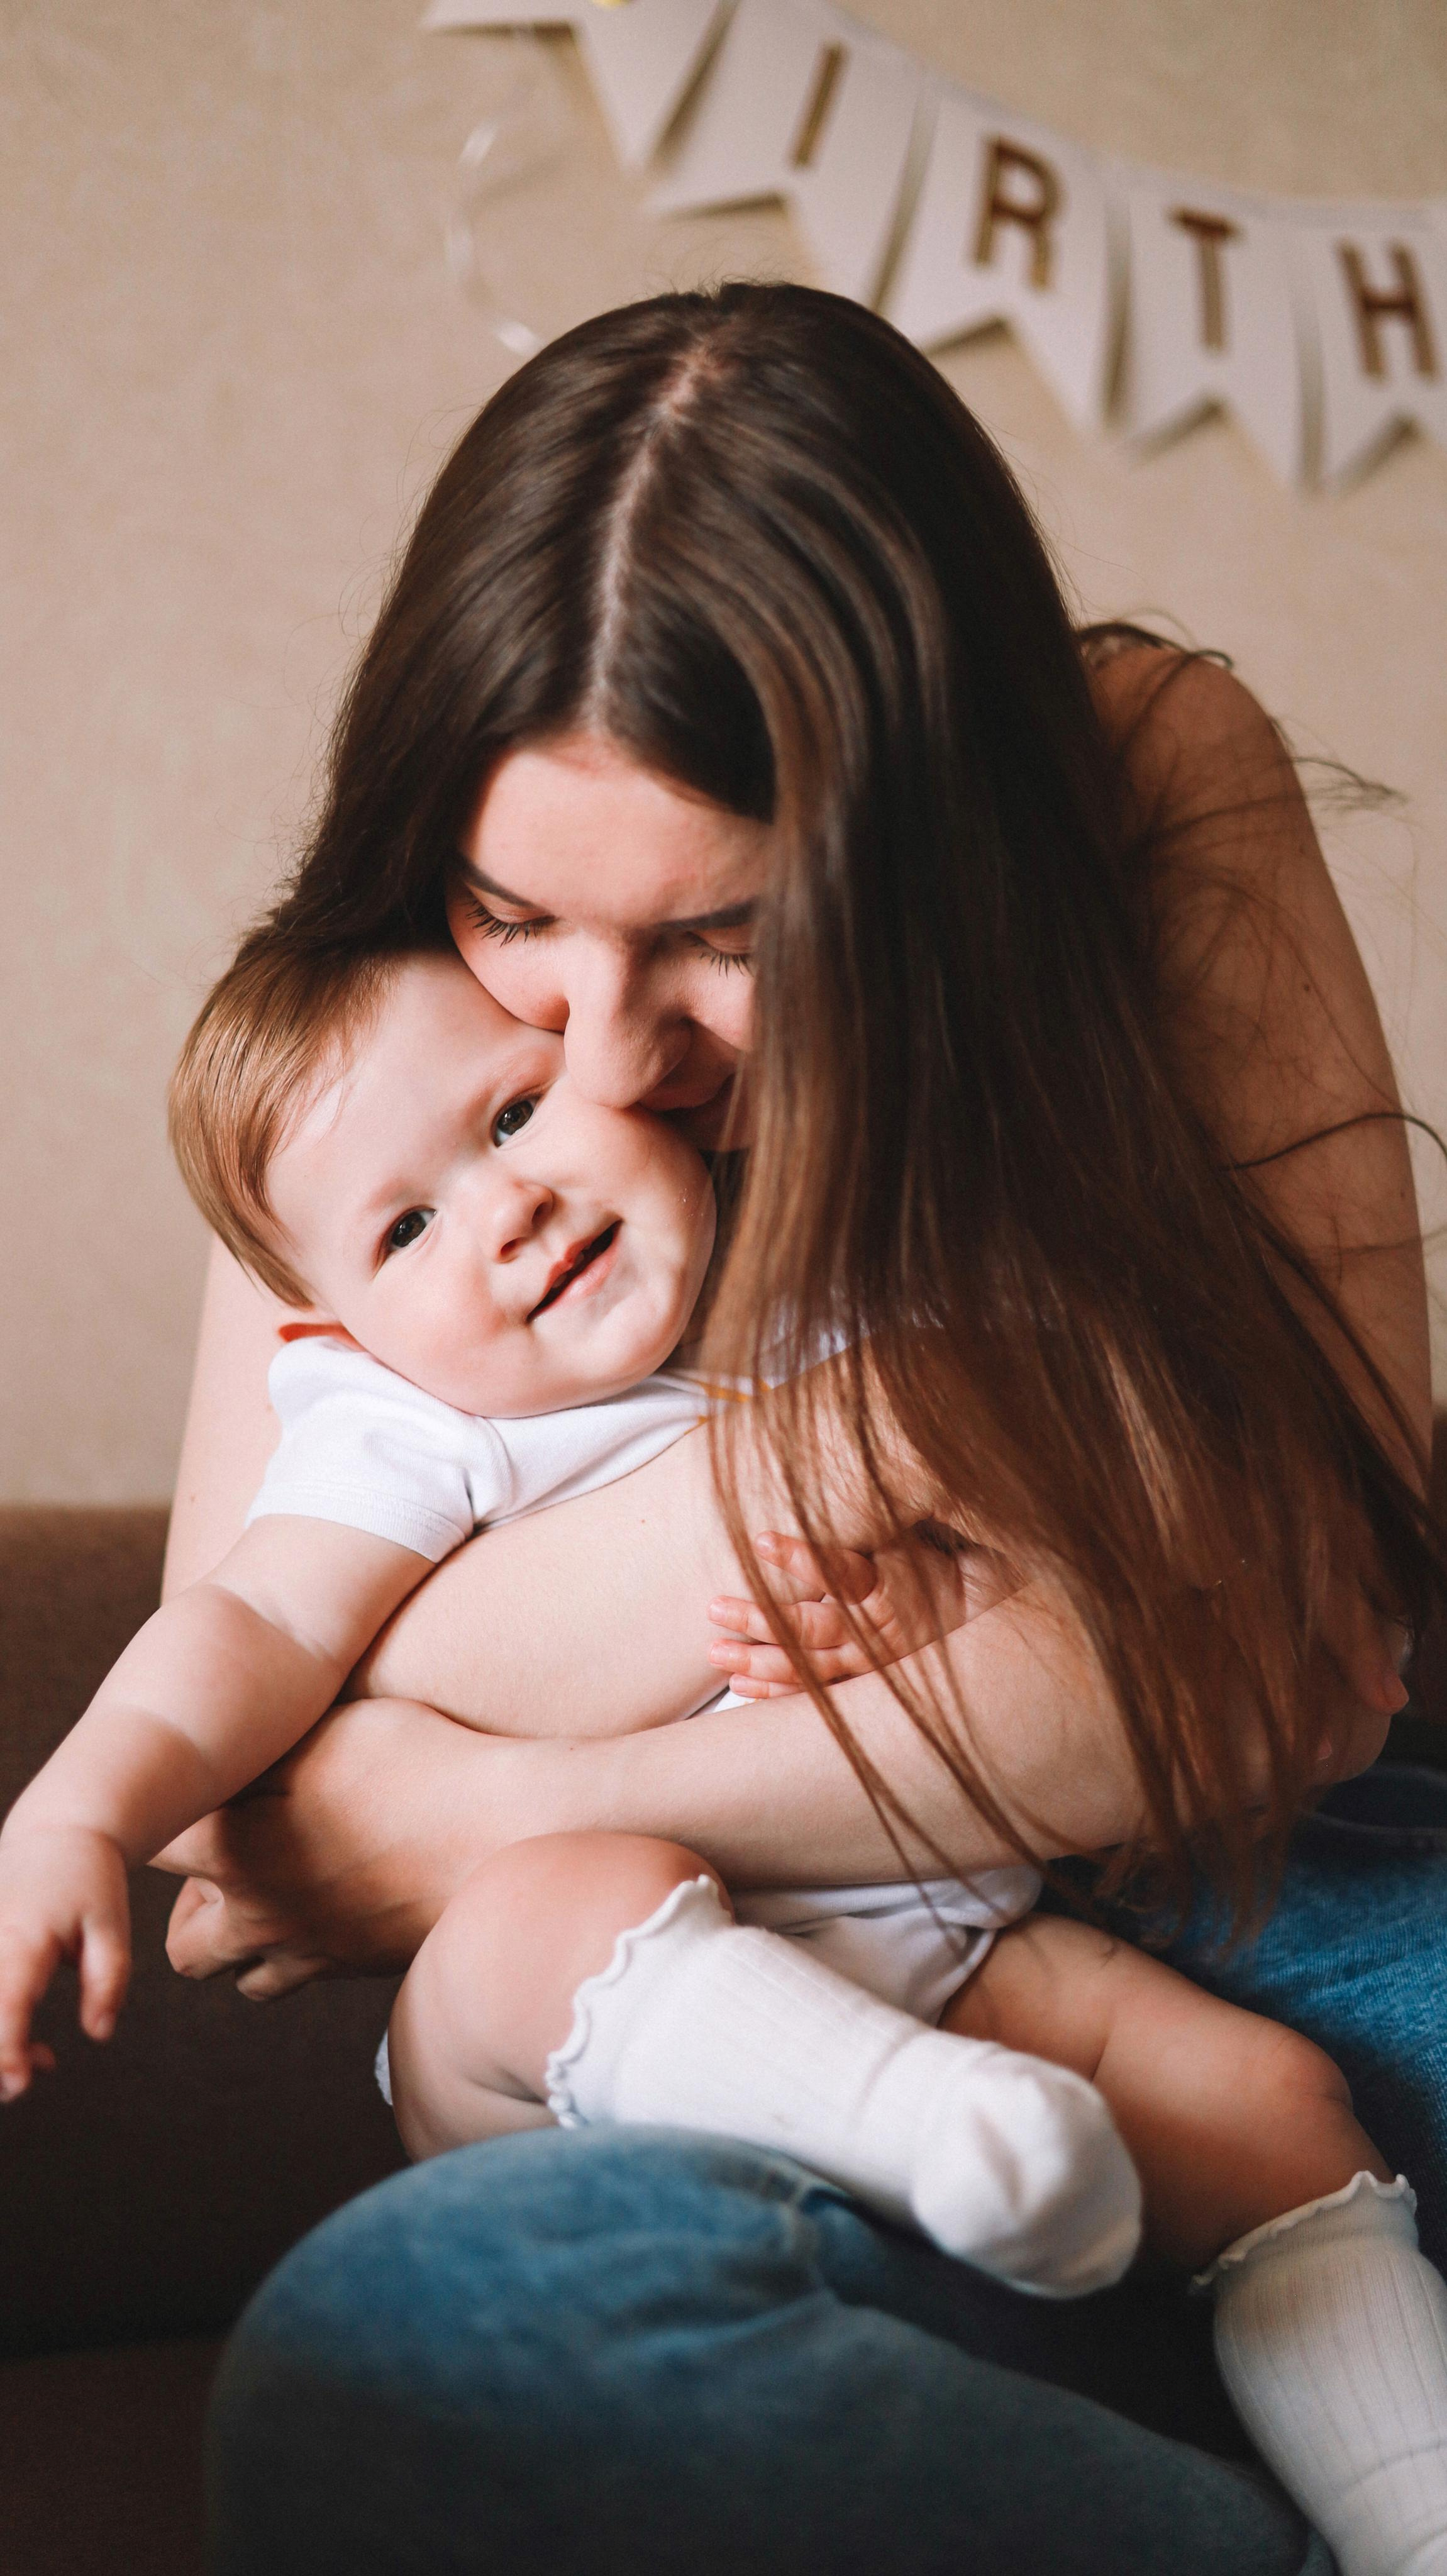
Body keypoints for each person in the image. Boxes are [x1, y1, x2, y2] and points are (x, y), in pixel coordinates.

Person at [149, 285, 1443, 2573]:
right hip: (771, 2027)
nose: (615, 1056)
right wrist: (913, 1449)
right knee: (433, 2347)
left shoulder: (1133, 766)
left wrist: (495, 1786)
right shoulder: (353, 1056)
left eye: (733, 940)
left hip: (1295, 1923)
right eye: (515, 918)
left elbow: (1286, 1644)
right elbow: (262, 1804)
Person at [13, 926, 1446, 2568]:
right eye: (405, 1228)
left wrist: (940, 1588)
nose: (505, 1209)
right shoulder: (421, 1426)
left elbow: (1191, 1606)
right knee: (554, 1902)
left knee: (1271, 2103)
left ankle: (1407, 2518)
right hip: (591, 2044)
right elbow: (252, 1631)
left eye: (513, 1114)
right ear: (335, 1331)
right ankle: (939, 2135)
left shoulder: (855, 1299)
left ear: (659, 1091)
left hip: (960, 1945)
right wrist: (79, 1808)